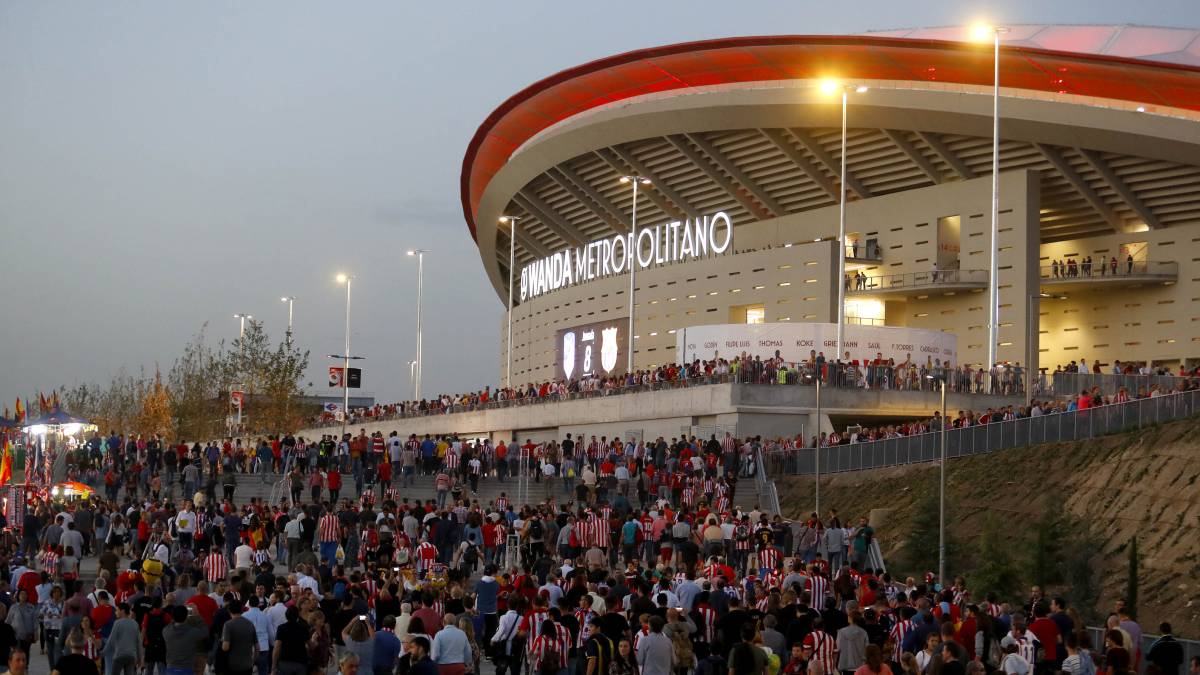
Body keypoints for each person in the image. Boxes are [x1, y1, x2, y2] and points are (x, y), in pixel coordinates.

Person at [221, 601, 259, 675]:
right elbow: (257, 647)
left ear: (229, 610)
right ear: (241, 610)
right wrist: (253, 662)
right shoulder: (250, 624)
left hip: (232, 666)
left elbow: (225, 647)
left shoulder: (228, 625)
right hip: (247, 665)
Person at [273, 606, 311, 675]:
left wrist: (273, 666)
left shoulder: (281, 628)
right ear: (297, 616)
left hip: (285, 662)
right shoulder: (303, 629)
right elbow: (310, 645)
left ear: (286, 616)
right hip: (300, 662)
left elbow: (277, 647)